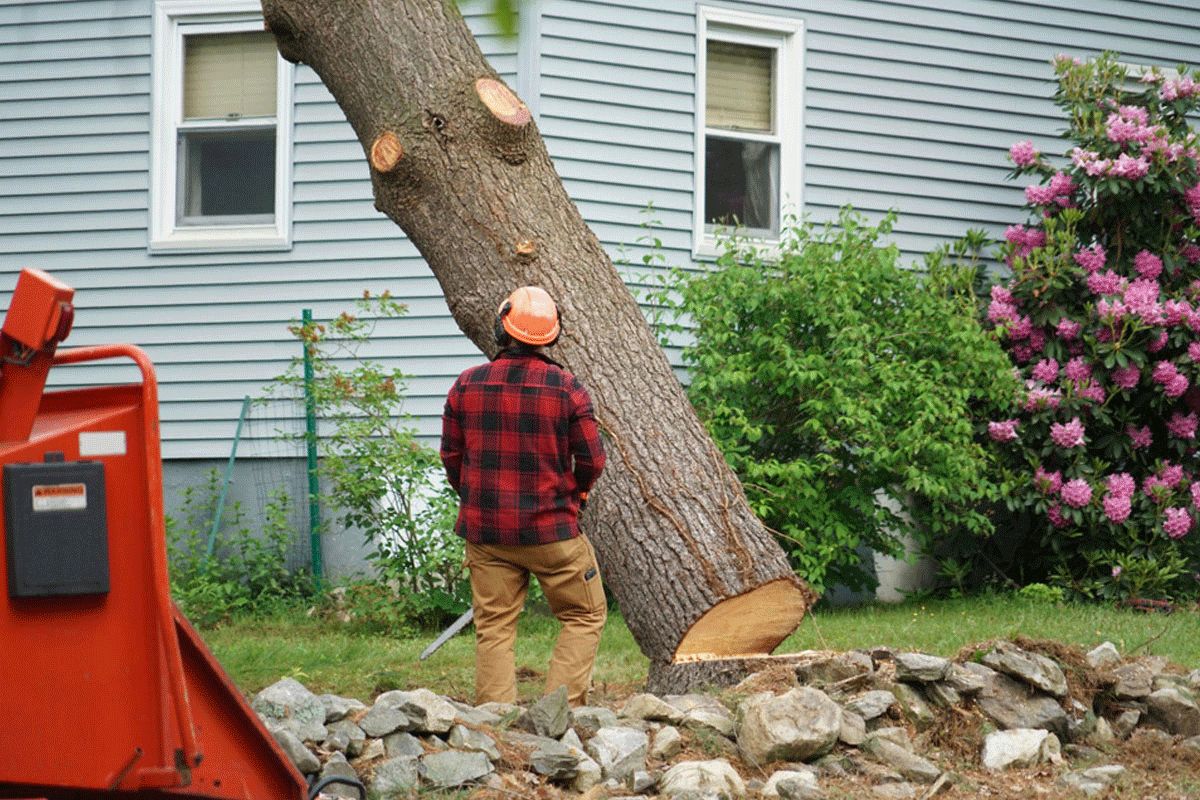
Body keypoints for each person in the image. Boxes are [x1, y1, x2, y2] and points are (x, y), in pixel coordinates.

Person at [440, 285, 607, 706]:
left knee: (494, 626)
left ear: (502, 328)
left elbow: (451, 457)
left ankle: (493, 724)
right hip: (552, 532)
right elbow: (592, 460)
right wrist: (578, 496)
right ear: (552, 335)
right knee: (584, 615)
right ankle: (559, 714)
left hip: (487, 533)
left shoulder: (466, 385)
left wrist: (477, 500)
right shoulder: (567, 389)